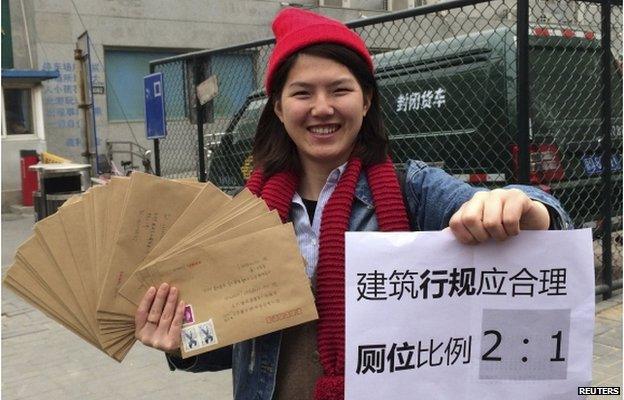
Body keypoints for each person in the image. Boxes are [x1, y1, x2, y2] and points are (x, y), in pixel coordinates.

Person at [134, 8, 571, 400]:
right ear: (280, 109)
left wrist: (522, 205)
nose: (321, 108)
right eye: (302, 93)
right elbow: (236, 345)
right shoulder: (246, 213)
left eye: (339, 89)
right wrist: (181, 345)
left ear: (366, 100)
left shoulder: (413, 191)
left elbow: (550, 225)